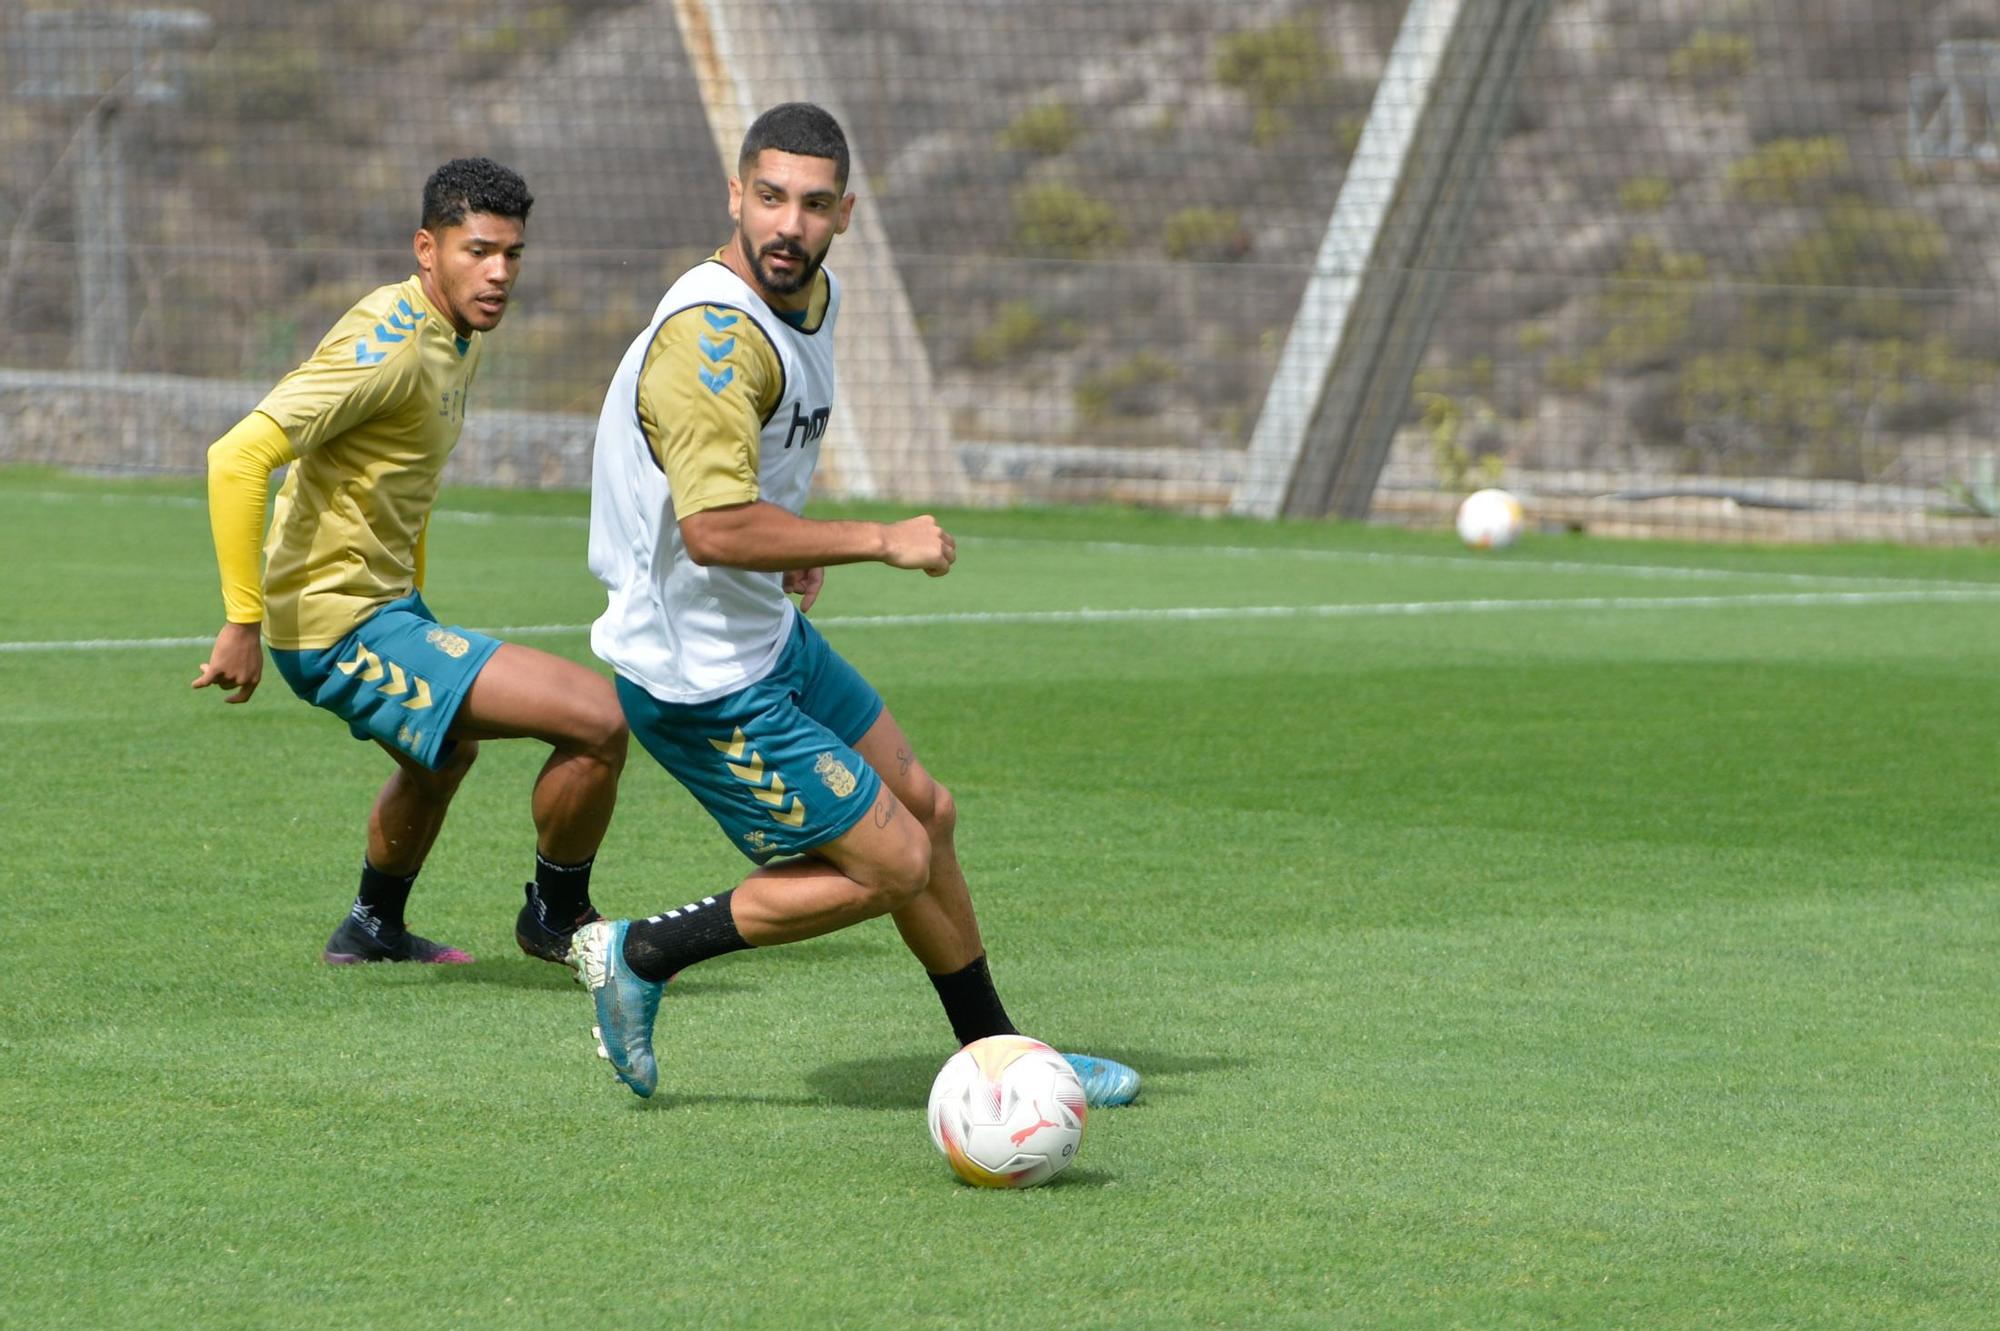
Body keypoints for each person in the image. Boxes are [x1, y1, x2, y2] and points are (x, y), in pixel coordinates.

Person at [572, 102, 1139, 1107]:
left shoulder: (809, 299)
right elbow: (710, 529)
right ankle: (641, 951)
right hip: (698, 676)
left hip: (760, 636)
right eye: (770, 197)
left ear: (846, 212)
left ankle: (1000, 1057)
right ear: (735, 194)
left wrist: (786, 547)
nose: (789, 223)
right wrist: (874, 537)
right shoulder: (713, 337)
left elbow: (740, 498)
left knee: (929, 810)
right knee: (893, 862)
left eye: (814, 203)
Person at [194, 157, 628, 967]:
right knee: (598, 719)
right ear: (427, 249)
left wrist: (412, 594)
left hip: (382, 605)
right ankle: (559, 918)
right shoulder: (389, 345)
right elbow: (237, 456)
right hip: (334, 624)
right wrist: (240, 620)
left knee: (444, 756)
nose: (498, 273)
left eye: (513, 254)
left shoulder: (454, 334)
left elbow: (399, 477)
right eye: (477, 251)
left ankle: (371, 928)